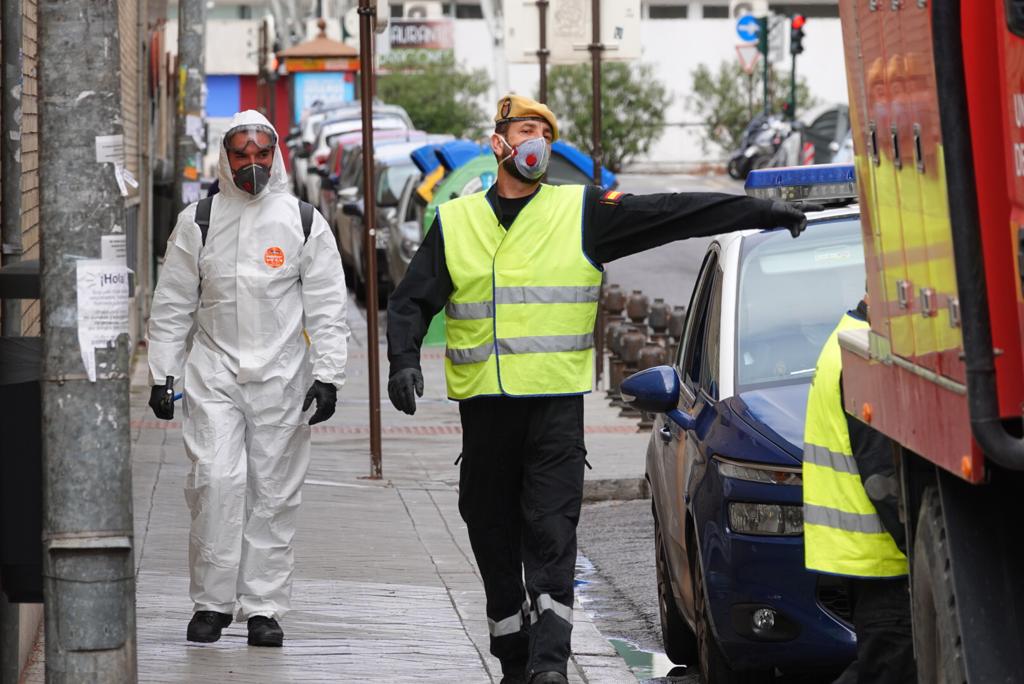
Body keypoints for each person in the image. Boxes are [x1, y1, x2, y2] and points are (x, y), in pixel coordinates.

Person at [386, 94, 816, 684]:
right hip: (484, 415)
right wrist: (402, 359)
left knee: (552, 531)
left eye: (544, 131)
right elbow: (411, 299)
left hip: (555, 415)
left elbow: (671, 212)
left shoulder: (579, 211)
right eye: (525, 130)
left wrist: (755, 212)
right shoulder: (457, 221)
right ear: (499, 144)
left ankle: (549, 664)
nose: (536, 140)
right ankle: (513, 655)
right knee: (489, 531)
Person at [147, 110, 350, 647]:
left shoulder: (304, 221)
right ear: (226, 157)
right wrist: (163, 375)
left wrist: (328, 374)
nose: (252, 164)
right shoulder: (200, 221)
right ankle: (212, 603)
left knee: (273, 493)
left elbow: (327, 306)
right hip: (213, 375)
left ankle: (262, 606)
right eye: (242, 154)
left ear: (275, 155)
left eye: (262, 153)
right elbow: (171, 305)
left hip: (283, 379)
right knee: (216, 482)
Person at [802, 297, 915, 683]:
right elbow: (883, 477)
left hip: (861, 555)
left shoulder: (846, 338)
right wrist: (920, 549)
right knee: (889, 667)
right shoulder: (866, 353)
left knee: (881, 665)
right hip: (881, 558)